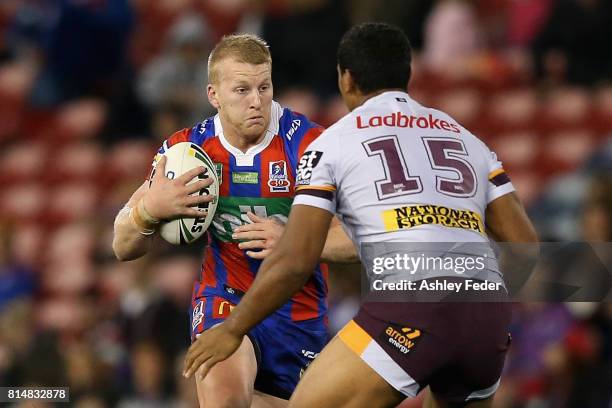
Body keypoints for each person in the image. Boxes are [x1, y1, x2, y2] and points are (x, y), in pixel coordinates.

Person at [183, 23, 539, 408]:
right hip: (487, 319)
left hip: (409, 306)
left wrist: (232, 330)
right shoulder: (467, 138)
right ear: (408, 74)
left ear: (346, 78)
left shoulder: (332, 142)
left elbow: (295, 261)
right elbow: (526, 247)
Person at [113, 34, 356, 407]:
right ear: (214, 95)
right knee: (226, 398)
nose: (256, 101)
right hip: (223, 301)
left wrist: (296, 242)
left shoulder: (310, 144)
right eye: (242, 90)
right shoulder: (185, 152)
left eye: (264, 87)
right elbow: (122, 245)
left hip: (298, 312)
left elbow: (363, 241)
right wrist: (149, 210)